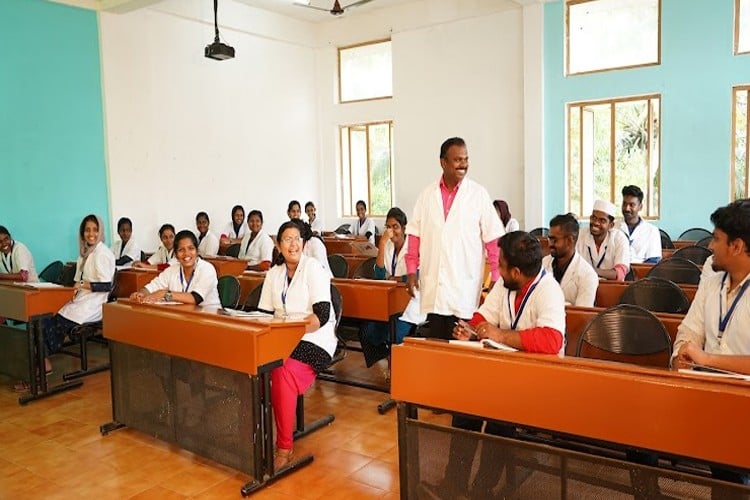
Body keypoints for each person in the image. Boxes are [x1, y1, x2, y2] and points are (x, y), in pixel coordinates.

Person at [437, 231, 565, 498]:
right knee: (465, 408)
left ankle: (483, 488)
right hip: (502, 373)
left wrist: (500, 334)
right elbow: (484, 315)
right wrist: (470, 330)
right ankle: (454, 482)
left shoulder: (549, 290)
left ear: (516, 271)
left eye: (501, 265)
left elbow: (552, 339)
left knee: (498, 419)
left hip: (538, 379)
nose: (497, 268)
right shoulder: (505, 285)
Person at [672, 199, 750, 495]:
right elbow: (689, 330)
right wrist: (681, 354)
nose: (711, 246)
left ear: (737, 246)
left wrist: (706, 358)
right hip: (707, 397)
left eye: (717, 239)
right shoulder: (712, 281)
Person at [405, 137, 505, 339]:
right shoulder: (427, 195)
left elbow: (493, 241)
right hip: (435, 284)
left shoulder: (478, 194)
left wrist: (496, 276)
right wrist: (411, 271)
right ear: (443, 162)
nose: (464, 164)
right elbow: (415, 235)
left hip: (464, 287)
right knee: (438, 344)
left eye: (466, 159)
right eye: (458, 160)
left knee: (461, 347)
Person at [257, 221, 336, 469]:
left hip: (313, 339)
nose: (293, 244)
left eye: (297, 239)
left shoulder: (313, 268)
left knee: (281, 370)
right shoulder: (274, 274)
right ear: (279, 246)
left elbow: (321, 315)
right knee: (253, 366)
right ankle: (254, 437)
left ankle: (284, 446)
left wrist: (289, 335)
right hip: (280, 338)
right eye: (287, 239)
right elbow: (263, 314)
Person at [40, 214, 115, 378]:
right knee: (45, 317)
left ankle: (43, 362)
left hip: (93, 305)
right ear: (82, 233)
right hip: (81, 300)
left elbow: (106, 286)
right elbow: (77, 281)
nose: (91, 234)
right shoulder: (85, 252)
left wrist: (82, 285)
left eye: (95, 230)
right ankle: (42, 360)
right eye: (87, 230)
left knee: (55, 322)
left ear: (100, 231)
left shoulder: (102, 253)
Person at [130, 230, 220, 307]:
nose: (186, 253)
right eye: (181, 250)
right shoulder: (171, 270)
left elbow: (195, 298)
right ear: (176, 255)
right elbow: (151, 287)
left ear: (197, 252)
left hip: (209, 318)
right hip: (183, 316)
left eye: (191, 248)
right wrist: (141, 294)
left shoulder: (207, 269)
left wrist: (165, 294)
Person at [542, 213, 598, 306]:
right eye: (549, 239)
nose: (550, 244)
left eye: (554, 240)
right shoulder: (544, 263)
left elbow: (581, 315)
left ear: (569, 241)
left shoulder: (588, 275)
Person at [576, 199, 631, 281]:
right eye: (594, 218)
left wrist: (591, 271)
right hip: (583, 285)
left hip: (611, 289)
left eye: (602, 220)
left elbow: (619, 273)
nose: (596, 223)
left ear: (611, 225)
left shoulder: (619, 238)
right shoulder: (580, 235)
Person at [617, 185, 661, 264]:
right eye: (624, 204)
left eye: (632, 205)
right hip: (616, 273)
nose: (627, 208)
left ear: (640, 207)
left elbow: (653, 261)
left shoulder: (652, 231)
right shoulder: (613, 227)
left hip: (642, 273)